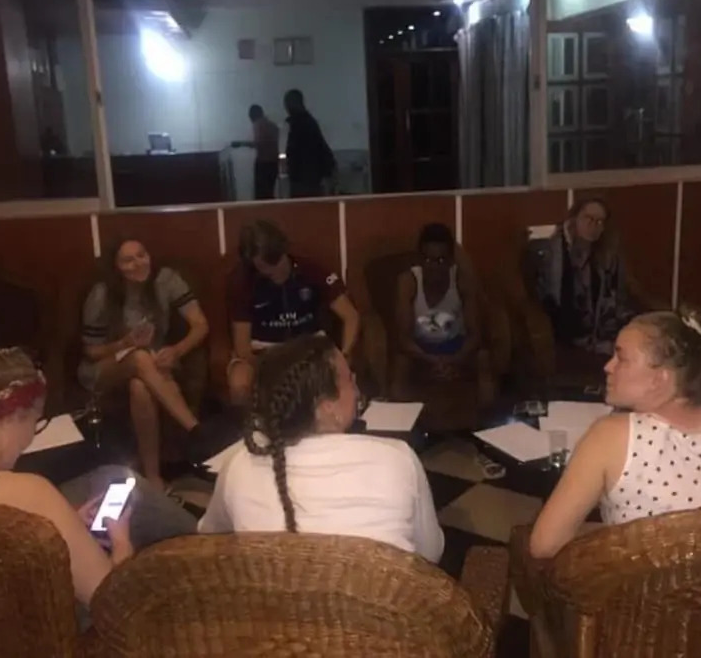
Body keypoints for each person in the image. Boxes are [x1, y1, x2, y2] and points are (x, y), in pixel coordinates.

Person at [0, 347, 197, 608]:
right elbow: (109, 601)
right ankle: (206, 547)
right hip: (30, 632)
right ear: (13, 417)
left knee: (107, 478)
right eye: (35, 423)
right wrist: (121, 544)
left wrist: (63, 525)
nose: (29, 439)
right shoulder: (25, 493)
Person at [528, 312, 701, 560]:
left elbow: (545, 545)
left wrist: (611, 539)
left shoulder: (609, 436)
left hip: (638, 599)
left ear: (660, 379)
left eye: (621, 358)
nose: (608, 366)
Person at [199, 334, 444, 563]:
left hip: (270, 596)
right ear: (327, 406)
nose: (357, 389)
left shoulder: (239, 464)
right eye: (350, 380)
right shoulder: (397, 459)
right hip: (380, 595)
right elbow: (430, 554)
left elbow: (211, 536)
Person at [79, 239, 209, 488]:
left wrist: (176, 351)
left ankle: (153, 476)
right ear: (116, 267)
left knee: (140, 387)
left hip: (151, 362)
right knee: (139, 357)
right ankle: (195, 428)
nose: (138, 263)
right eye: (128, 260)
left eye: (142, 255)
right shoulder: (101, 294)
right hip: (106, 367)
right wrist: (125, 343)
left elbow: (201, 325)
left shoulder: (166, 280)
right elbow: (91, 351)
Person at [226, 220, 359, 406]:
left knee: (337, 375)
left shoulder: (312, 269)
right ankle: (253, 424)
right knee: (239, 382)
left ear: (283, 250)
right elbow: (242, 349)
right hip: (263, 352)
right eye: (261, 268)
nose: (270, 271)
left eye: (275, 263)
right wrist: (272, 367)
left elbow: (351, 316)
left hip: (309, 347)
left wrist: (345, 354)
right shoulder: (241, 281)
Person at [392, 222, 492, 402]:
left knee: (483, 359)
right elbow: (403, 339)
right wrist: (432, 361)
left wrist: (453, 360)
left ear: (451, 261)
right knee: (400, 364)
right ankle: (402, 417)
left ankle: (486, 417)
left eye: (440, 261)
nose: (434, 267)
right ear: (420, 260)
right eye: (428, 260)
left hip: (456, 347)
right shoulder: (408, 282)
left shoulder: (462, 280)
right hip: (420, 350)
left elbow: (475, 335)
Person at [534, 197, 638, 357]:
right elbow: (548, 296)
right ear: (574, 219)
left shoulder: (608, 255)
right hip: (565, 329)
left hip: (603, 329)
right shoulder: (554, 253)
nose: (593, 225)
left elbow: (618, 297)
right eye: (588, 218)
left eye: (599, 221)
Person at [283, 89, 334, 198]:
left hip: (304, 178)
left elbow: (297, 151)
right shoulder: (309, 122)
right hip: (309, 177)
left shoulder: (300, 124)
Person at [231, 104, 280, 201]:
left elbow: (258, 143)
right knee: (269, 192)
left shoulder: (258, 124)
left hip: (263, 163)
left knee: (261, 194)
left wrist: (240, 144)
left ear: (252, 116)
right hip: (274, 163)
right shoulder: (273, 126)